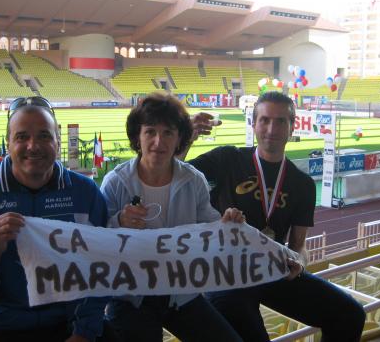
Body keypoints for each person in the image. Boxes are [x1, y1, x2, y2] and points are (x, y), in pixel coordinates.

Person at [187, 91, 366, 342]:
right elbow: (174, 177)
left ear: (293, 127)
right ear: (253, 123)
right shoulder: (227, 159)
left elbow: (298, 247)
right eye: (265, 120)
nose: (272, 128)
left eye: (281, 121)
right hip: (226, 273)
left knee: (350, 314)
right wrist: (186, 139)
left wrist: (299, 262)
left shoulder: (302, 184)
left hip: (272, 269)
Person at [0, 96, 110, 342]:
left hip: (70, 322)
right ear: (8, 144)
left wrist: (84, 331)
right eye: (22, 137)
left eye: (44, 136)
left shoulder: (85, 193)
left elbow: (104, 269)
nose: (33, 146)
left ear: (58, 142)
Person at [100, 92, 244, 342]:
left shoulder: (193, 180)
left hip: (181, 293)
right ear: (138, 136)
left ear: (179, 139)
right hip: (132, 298)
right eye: (150, 132)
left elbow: (211, 225)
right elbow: (95, 238)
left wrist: (228, 223)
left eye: (168, 132)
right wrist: (119, 222)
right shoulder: (116, 182)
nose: (159, 141)